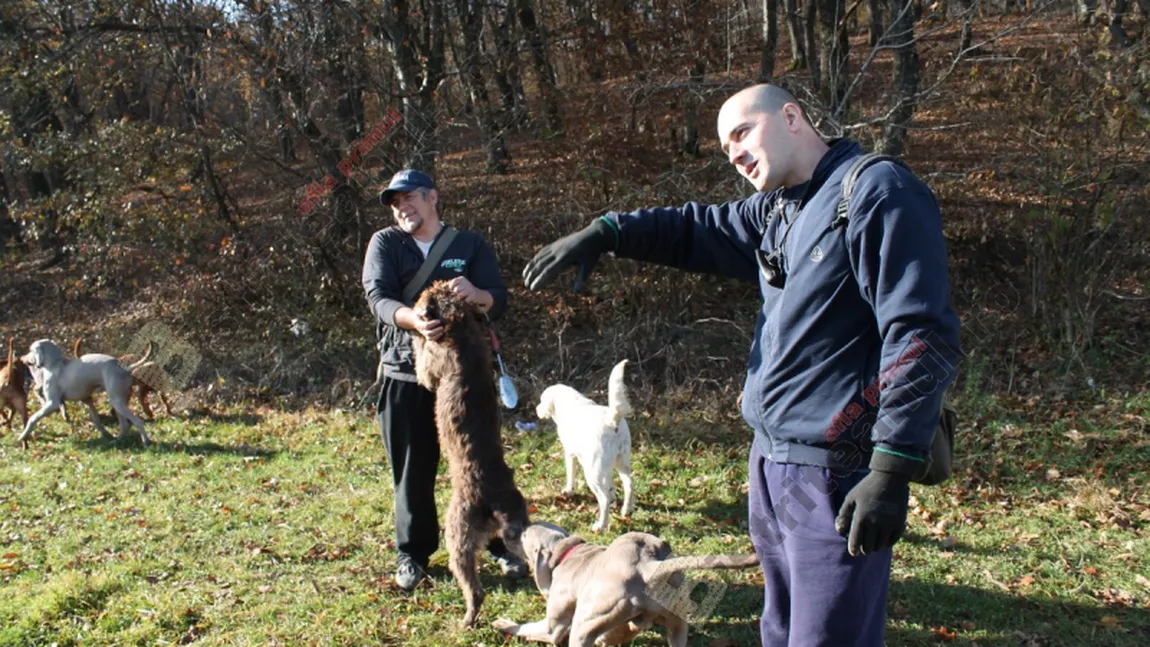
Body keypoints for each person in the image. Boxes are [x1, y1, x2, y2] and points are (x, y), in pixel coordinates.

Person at [523, 84, 962, 646]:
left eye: (741, 133)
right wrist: (608, 232)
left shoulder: (876, 192)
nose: (734, 154)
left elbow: (921, 333)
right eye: (725, 149)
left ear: (791, 116)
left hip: (839, 469)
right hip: (772, 465)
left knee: (829, 636)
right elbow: (693, 228)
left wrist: (891, 469)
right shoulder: (777, 208)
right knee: (779, 628)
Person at [362, 169, 528, 591]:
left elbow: (498, 299)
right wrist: (413, 320)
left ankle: (502, 545)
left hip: (468, 378)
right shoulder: (386, 244)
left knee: (482, 462)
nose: (402, 207)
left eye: (410, 197)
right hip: (405, 371)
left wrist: (477, 293)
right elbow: (378, 298)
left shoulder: (468, 244)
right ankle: (413, 555)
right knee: (412, 470)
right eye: (395, 202)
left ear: (433, 197)